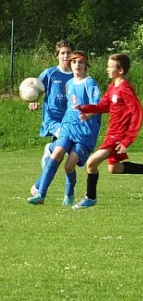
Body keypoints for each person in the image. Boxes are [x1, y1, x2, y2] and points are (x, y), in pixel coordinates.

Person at [72, 53, 143, 210]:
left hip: (118, 136)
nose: (107, 69)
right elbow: (104, 106)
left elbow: (137, 112)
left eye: (110, 66)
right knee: (114, 168)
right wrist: (85, 108)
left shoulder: (125, 89)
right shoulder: (113, 87)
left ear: (120, 70)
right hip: (111, 133)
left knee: (91, 163)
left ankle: (90, 198)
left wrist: (128, 139)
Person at [27, 51, 102, 205]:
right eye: (74, 62)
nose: (77, 65)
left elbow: (98, 105)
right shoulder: (69, 84)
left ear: (85, 66)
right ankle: (41, 194)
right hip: (68, 127)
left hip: (85, 132)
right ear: (71, 65)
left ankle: (69, 195)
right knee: (56, 155)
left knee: (69, 166)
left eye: (81, 62)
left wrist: (88, 114)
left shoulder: (89, 83)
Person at [30, 40, 74, 169]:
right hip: (52, 118)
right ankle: (50, 149)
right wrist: (33, 101)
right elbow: (34, 90)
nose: (66, 56)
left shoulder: (76, 74)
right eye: (63, 53)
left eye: (69, 53)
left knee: (59, 157)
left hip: (70, 119)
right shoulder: (50, 73)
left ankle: (50, 151)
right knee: (65, 139)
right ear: (57, 55)